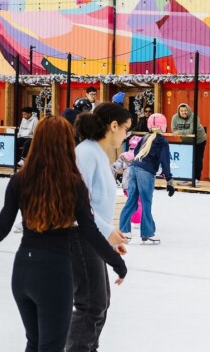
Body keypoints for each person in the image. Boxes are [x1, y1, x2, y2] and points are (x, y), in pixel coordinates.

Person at [0, 117, 128, 352]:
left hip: (22, 272)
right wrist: (117, 263)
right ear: (66, 143)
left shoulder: (20, 180)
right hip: (54, 276)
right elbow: (90, 231)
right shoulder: (73, 184)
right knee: (50, 346)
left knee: (34, 344)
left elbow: (1, 228)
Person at [68, 102, 132, 352]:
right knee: (91, 304)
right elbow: (78, 204)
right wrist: (105, 231)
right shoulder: (85, 153)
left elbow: (95, 203)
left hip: (91, 237)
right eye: (126, 128)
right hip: (79, 235)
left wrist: (107, 237)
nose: (126, 135)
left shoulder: (97, 154)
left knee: (100, 302)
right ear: (113, 126)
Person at [118, 114, 175, 245]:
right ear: (163, 126)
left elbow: (136, 152)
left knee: (131, 200)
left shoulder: (144, 137)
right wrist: (169, 181)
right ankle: (147, 233)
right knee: (146, 202)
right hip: (146, 173)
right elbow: (165, 162)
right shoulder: (162, 141)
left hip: (133, 169)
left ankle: (124, 231)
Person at [171, 103, 207, 181]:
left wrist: (179, 132)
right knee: (186, 160)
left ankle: (196, 178)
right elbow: (174, 130)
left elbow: (192, 131)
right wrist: (181, 132)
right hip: (186, 141)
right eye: (182, 111)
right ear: (179, 112)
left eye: (185, 110)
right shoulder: (175, 118)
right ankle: (186, 178)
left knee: (197, 160)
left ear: (189, 110)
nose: (184, 112)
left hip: (199, 140)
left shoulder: (194, 117)